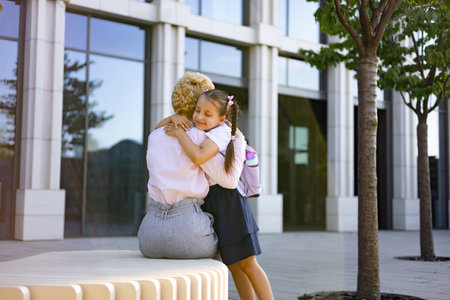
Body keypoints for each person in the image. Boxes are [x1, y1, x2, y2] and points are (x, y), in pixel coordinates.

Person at [164, 89, 274, 300]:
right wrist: (174, 118)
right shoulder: (202, 132)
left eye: (207, 114)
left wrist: (179, 133)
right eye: (197, 111)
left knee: (249, 264)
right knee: (233, 266)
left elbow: (199, 159)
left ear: (221, 119)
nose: (199, 117)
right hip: (213, 204)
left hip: (230, 204)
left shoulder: (220, 136)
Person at [137, 72, 247, 259]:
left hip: (148, 235)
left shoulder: (154, 135)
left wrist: (172, 118)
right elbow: (227, 179)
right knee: (219, 250)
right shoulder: (203, 138)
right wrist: (240, 140)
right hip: (188, 229)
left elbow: (159, 128)